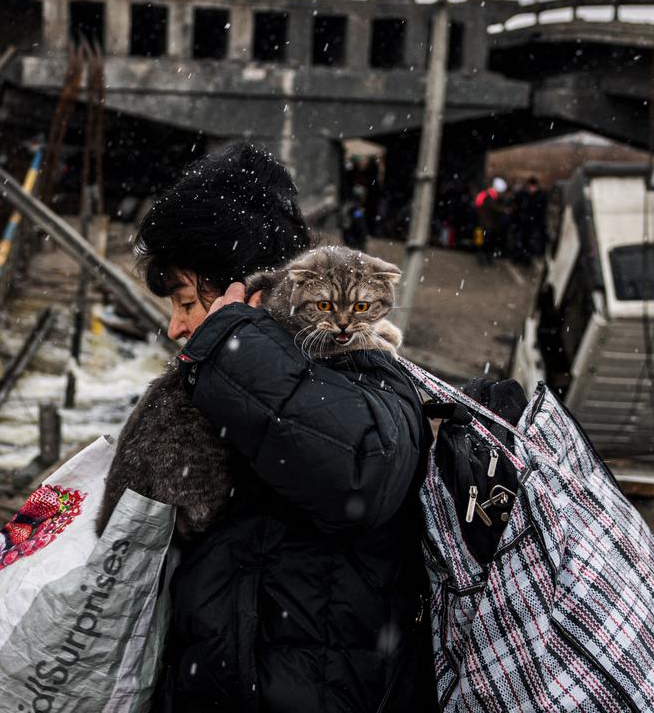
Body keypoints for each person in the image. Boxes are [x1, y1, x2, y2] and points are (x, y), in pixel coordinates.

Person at [133, 142, 436, 713]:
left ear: (240, 293)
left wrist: (235, 342)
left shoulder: (365, 370)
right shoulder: (232, 394)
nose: (174, 327)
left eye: (184, 301)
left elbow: (362, 471)